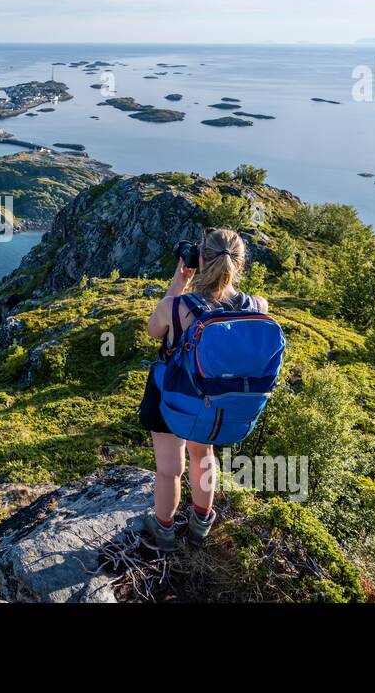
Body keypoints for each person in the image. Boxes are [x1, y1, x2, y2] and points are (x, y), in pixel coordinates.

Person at [136, 228, 268, 550]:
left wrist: (179, 281)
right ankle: (200, 523)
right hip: (216, 402)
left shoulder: (176, 307)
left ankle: (163, 530)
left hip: (173, 398)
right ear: (239, 263)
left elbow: (154, 332)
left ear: (201, 259)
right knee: (203, 455)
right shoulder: (258, 306)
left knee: (169, 469)